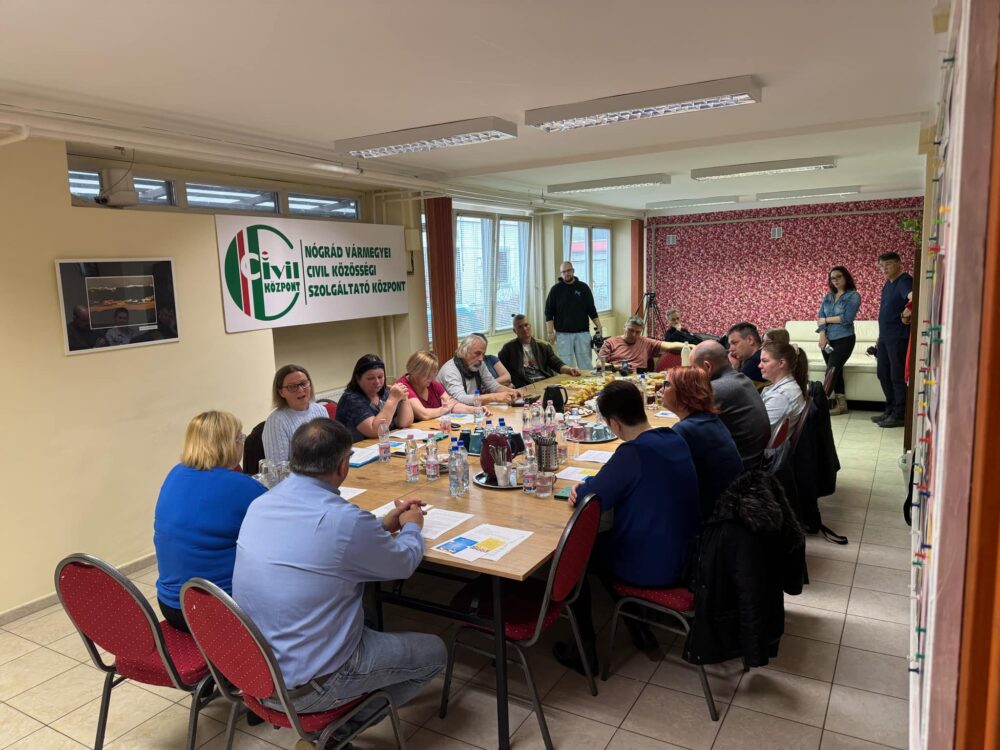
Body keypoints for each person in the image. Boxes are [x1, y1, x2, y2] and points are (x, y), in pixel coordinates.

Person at [233, 418, 445, 741]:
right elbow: (403, 563)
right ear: (343, 466)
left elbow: (317, 541)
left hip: (255, 671)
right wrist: (413, 525)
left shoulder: (260, 504)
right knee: (435, 652)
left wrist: (381, 525)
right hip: (313, 685)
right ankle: (337, 732)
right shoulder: (345, 521)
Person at [553, 381, 700, 673]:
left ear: (614, 424)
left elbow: (590, 499)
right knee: (601, 547)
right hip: (688, 554)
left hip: (653, 565)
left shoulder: (633, 453)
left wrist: (584, 487)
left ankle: (584, 652)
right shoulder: (673, 437)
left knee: (575, 556)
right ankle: (636, 625)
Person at [154, 411, 266, 633]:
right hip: (219, 610)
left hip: (170, 605)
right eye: (240, 438)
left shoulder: (175, 474)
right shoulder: (240, 486)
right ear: (229, 444)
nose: (242, 443)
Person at [661, 367, 744, 520]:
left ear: (685, 392)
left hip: (709, 517)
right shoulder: (709, 419)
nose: (661, 389)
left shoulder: (684, 431)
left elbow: (665, 481)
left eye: (667, 384)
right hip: (731, 506)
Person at [690, 341, 771, 471]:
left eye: (694, 369)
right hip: (753, 461)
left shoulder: (717, 389)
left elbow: (687, 428)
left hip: (738, 471)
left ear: (707, 366)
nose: (693, 374)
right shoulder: (741, 379)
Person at [336, 354, 414, 442]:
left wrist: (403, 397)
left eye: (380, 377)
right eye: (370, 378)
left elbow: (404, 423)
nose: (377, 382)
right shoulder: (351, 399)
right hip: (358, 448)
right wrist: (393, 400)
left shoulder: (385, 392)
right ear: (358, 379)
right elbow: (374, 431)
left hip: (384, 444)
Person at [817, 266, 862, 416]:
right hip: (827, 340)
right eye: (832, 278)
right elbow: (820, 316)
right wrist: (822, 335)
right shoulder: (828, 296)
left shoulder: (853, 296)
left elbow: (847, 319)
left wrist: (826, 320)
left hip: (844, 339)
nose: (835, 280)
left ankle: (819, 407)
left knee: (831, 371)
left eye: (838, 277)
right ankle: (842, 405)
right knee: (837, 371)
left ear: (846, 277)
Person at [874, 252, 913, 428]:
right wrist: (879, 336)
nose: (884, 269)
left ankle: (900, 414)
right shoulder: (888, 284)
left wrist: (906, 313)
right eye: (881, 266)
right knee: (883, 373)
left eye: (888, 264)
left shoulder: (904, 280)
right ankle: (890, 409)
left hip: (898, 337)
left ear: (898, 263)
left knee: (896, 376)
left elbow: (914, 297)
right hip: (885, 337)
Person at [262, 364, 328, 463]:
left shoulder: (321, 410)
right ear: (281, 392)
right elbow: (278, 466)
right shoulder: (276, 422)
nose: (300, 390)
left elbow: (330, 448)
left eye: (303, 383)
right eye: (292, 387)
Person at [544, 261, 603, 370]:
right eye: (564, 272)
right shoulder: (555, 290)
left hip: (582, 333)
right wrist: (550, 332)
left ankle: (588, 381)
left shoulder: (583, 288)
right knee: (566, 366)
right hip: (563, 334)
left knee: (586, 364)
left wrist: (599, 326)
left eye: (568, 271)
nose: (566, 274)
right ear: (561, 273)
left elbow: (591, 309)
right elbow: (548, 312)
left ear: (573, 271)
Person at [759, 341, 809, 466]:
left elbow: (758, 433)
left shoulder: (781, 396)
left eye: (765, 361)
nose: (759, 365)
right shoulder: (781, 388)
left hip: (764, 457)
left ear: (781, 363)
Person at [498, 314, 581, 388]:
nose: (524, 329)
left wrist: (569, 369)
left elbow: (556, 363)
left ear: (530, 326)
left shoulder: (543, 346)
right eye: (520, 327)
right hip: (525, 386)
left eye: (526, 325)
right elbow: (500, 372)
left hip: (545, 383)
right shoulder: (508, 349)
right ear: (514, 331)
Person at [437, 333, 522, 405]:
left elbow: (493, 385)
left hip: (472, 410)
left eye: (483, 354)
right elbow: (461, 399)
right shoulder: (450, 370)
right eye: (477, 353)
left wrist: (512, 391)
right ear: (464, 351)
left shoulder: (479, 364)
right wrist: (494, 397)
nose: (481, 359)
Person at [396, 350, 477, 421]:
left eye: (432, 375)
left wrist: (476, 409)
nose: (431, 379)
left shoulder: (432, 383)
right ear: (415, 372)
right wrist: (445, 409)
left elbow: (452, 405)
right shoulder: (403, 386)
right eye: (427, 375)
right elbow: (424, 414)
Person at [597, 316, 682, 372]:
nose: (634, 334)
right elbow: (599, 364)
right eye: (631, 330)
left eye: (637, 332)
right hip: (616, 377)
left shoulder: (646, 342)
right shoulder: (610, 342)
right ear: (624, 327)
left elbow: (670, 345)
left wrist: (688, 346)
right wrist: (617, 367)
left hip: (639, 378)